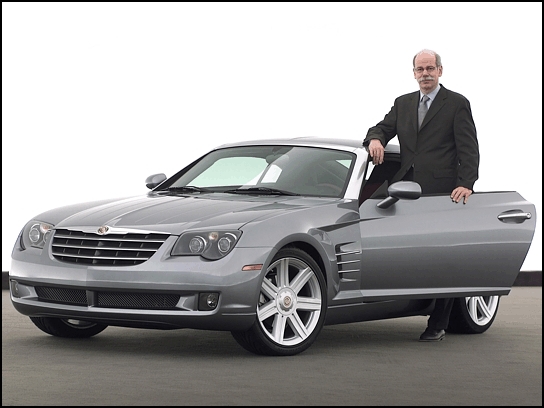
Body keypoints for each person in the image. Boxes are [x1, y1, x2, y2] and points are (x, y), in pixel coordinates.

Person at [363, 49, 480, 342]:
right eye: (420, 69)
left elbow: (468, 148)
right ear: (413, 73)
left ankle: (438, 323)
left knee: (442, 257)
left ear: (440, 70)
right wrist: (376, 139)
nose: (425, 73)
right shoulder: (403, 103)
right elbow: (382, 127)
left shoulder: (456, 103)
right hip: (403, 189)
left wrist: (467, 183)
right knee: (408, 252)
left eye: (430, 68)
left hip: (441, 193)